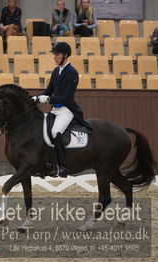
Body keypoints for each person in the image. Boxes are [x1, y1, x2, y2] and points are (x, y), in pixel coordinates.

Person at [32, 42, 91, 178]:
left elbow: (67, 98)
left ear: (65, 55)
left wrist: (48, 100)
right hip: (56, 109)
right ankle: (46, 165)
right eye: (54, 55)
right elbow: (48, 91)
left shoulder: (72, 73)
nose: (55, 57)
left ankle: (62, 167)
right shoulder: (56, 71)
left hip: (67, 109)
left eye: (57, 55)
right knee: (43, 131)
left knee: (55, 131)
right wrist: (36, 98)